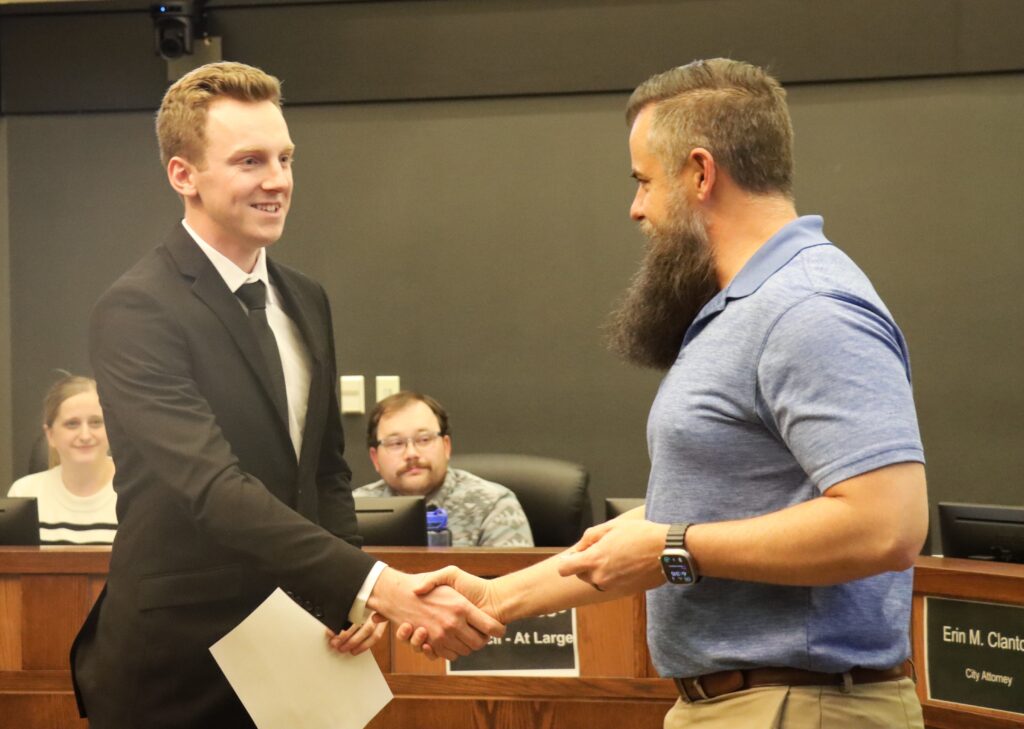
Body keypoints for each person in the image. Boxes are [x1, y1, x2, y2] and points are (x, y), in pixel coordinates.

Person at [394, 58, 929, 729]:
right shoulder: (739, 307)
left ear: (700, 173)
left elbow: (888, 524)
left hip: (802, 706)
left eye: (644, 181)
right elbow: (681, 520)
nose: (636, 207)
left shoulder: (809, 307)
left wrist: (676, 545)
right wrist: (497, 596)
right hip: (744, 703)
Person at [70, 62, 502, 729]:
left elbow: (326, 469)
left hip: (303, 651)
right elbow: (212, 488)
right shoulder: (136, 309)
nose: (277, 180)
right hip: (180, 665)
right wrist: (374, 585)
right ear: (183, 175)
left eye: (285, 157)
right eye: (249, 160)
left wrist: (346, 597)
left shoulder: (305, 298)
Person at [354, 391, 534, 547]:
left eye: (424, 439)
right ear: (375, 458)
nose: (411, 453)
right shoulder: (352, 510)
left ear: (446, 446)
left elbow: (514, 584)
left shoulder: (493, 505)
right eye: (396, 443)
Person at [8, 375, 117, 545]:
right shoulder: (24, 493)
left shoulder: (136, 493)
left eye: (96, 422)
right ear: (50, 435)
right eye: (72, 424)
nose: (85, 435)